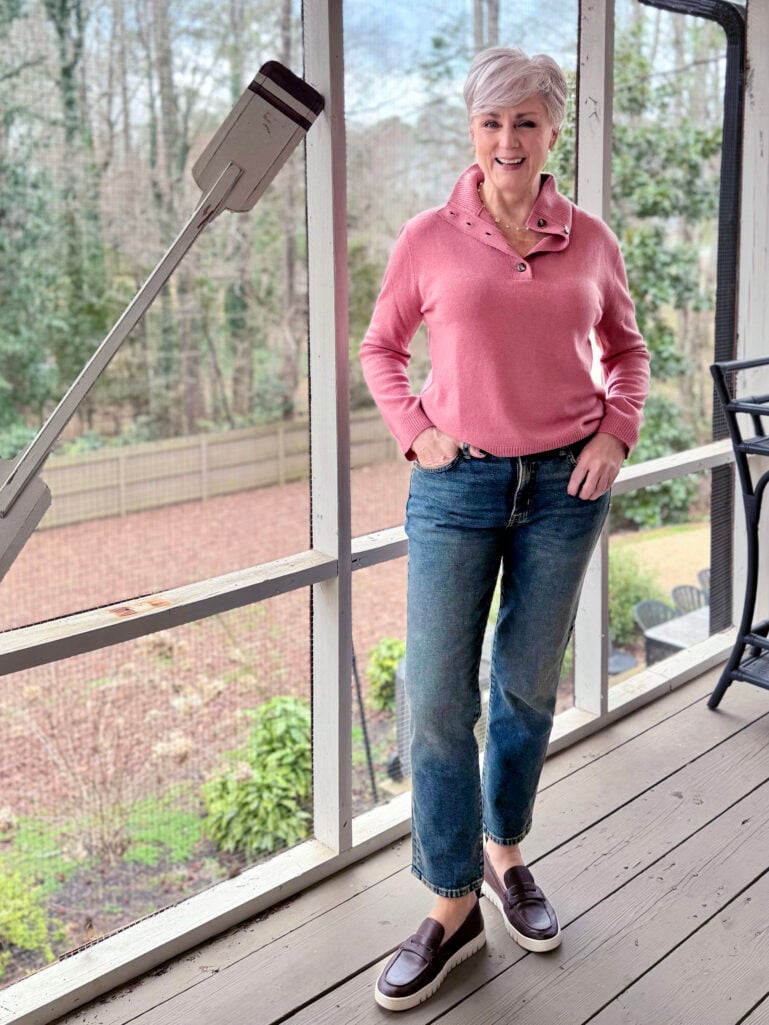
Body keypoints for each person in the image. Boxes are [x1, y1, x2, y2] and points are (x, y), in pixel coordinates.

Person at [360, 46, 650, 1012]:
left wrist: (616, 431)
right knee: (438, 698)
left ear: (552, 130)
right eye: (491, 123)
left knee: (524, 691)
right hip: (456, 490)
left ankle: (504, 855)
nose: (507, 140)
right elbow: (380, 347)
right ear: (470, 132)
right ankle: (449, 905)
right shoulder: (427, 238)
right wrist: (417, 432)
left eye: (525, 121)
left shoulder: (591, 239)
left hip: (566, 490)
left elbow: (627, 350)